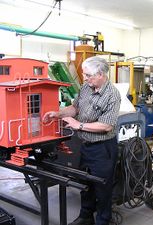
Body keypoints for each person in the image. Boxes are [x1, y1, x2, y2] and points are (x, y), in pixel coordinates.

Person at [43, 56, 121, 225]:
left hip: (103, 148)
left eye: (88, 75)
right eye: (84, 75)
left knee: (102, 187)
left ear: (100, 74)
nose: (84, 79)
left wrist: (78, 125)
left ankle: (103, 220)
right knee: (85, 182)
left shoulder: (112, 95)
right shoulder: (86, 88)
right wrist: (58, 114)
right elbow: (75, 108)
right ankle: (86, 216)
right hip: (86, 145)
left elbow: (106, 126)